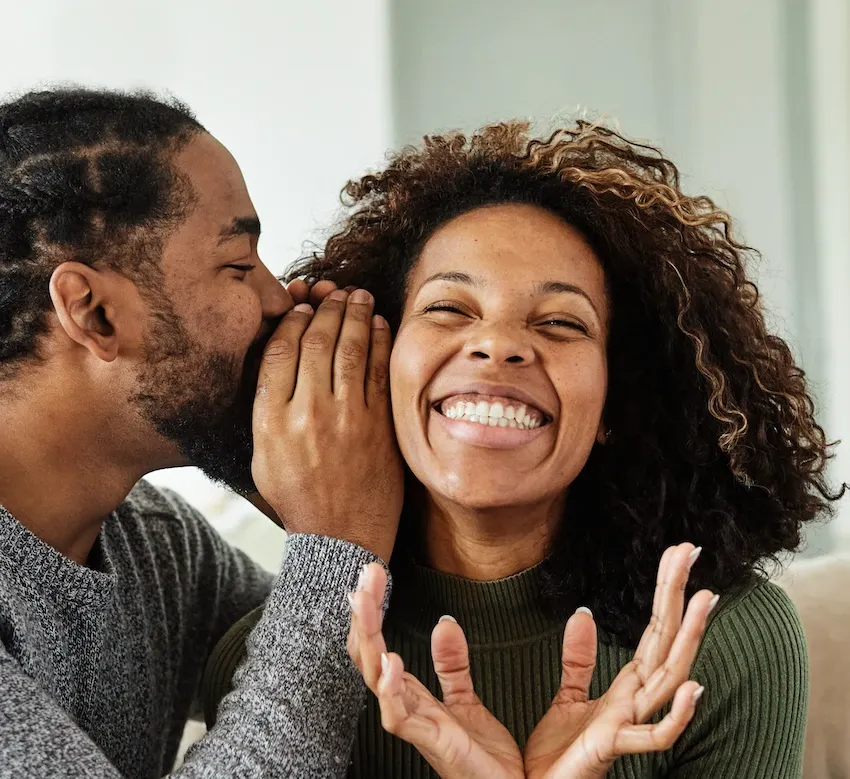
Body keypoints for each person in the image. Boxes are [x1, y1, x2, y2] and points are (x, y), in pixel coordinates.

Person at [205, 120, 845, 777]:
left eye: (562, 322)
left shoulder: (723, 641)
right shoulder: (269, 671)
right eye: (450, 308)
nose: (498, 344)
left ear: (617, 403)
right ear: (378, 362)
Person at [0, 87, 405, 778]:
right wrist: (335, 547)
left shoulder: (157, 546)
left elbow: (363, 686)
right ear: (95, 313)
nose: (280, 299)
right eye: (239, 265)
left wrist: (293, 474)